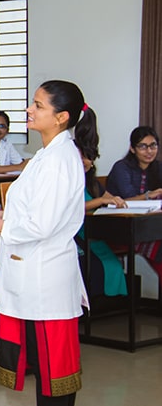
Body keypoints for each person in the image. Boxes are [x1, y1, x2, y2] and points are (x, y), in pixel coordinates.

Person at [0, 80, 95, 405]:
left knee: (53, 372)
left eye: (39, 105)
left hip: (45, 276)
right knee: (44, 369)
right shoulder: (45, 155)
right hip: (32, 272)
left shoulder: (59, 160)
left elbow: (42, 223)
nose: (29, 109)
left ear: (62, 117)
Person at [74, 118, 128, 297]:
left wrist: (115, 200)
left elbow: (108, 197)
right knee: (92, 266)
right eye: (79, 157)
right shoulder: (67, 182)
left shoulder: (92, 182)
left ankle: (110, 303)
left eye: (88, 157)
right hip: (75, 234)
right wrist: (100, 202)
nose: (84, 161)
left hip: (94, 232)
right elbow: (72, 209)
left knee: (111, 265)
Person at [106, 126, 162, 279]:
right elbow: (127, 200)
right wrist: (149, 196)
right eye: (143, 146)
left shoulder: (158, 167)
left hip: (146, 227)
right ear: (132, 148)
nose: (149, 151)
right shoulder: (122, 167)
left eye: (153, 146)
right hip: (119, 227)